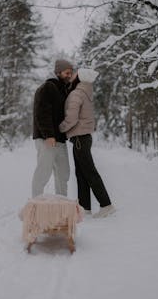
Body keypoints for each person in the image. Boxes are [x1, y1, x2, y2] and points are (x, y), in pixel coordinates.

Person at [59, 68, 115, 218]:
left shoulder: (76, 94)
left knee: (89, 172)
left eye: (75, 74)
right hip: (82, 138)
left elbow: (71, 119)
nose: (72, 77)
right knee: (81, 173)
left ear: (80, 78)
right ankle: (84, 207)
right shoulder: (86, 93)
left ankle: (106, 205)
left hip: (79, 139)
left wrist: (60, 129)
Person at [31, 59, 73, 197]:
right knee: (43, 172)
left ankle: (62, 203)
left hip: (60, 139)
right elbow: (41, 112)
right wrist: (48, 135)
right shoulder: (48, 87)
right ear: (58, 72)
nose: (69, 75)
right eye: (67, 72)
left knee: (63, 172)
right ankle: (35, 203)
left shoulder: (63, 90)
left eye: (71, 73)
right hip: (47, 138)